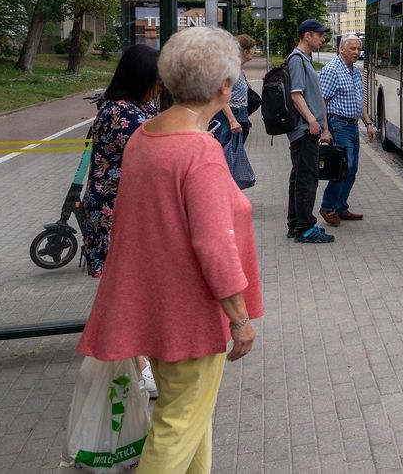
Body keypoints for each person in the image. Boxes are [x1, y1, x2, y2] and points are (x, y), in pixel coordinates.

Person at [77, 26, 262, 474]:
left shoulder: (148, 135)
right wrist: (239, 319)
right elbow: (214, 246)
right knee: (178, 423)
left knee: (190, 417)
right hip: (190, 313)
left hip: (155, 303)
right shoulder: (198, 150)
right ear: (224, 87)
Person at [82, 44, 161, 279]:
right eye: (156, 81)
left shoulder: (141, 106)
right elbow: (152, 151)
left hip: (127, 203)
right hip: (114, 206)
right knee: (124, 279)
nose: (161, 87)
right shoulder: (119, 112)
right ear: (140, 80)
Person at [318, 34, 374, 226]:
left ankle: (341, 207)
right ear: (341, 49)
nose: (357, 52)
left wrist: (367, 123)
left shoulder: (355, 71)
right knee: (343, 168)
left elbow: (359, 101)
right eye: (352, 48)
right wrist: (325, 130)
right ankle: (327, 207)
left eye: (359, 49)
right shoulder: (332, 70)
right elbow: (321, 102)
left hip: (352, 125)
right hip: (338, 124)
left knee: (352, 169)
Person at [287, 19, 333, 244]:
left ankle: (295, 224)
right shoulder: (297, 60)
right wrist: (312, 121)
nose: (323, 39)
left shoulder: (303, 59)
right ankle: (305, 227)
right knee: (307, 179)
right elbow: (296, 94)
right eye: (320, 35)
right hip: (305, 130)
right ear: (307, 35)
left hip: (307, 129)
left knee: (299, 177)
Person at [211, 34, 256, 145]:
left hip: (239, 114)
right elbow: (221, 96)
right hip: (231, 116)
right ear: (245, 51)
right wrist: (232, 121)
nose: (254, 51)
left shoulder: (238, 69)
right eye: (252, 48)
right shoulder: (231, 70)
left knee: (234, 153)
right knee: (229, 154)